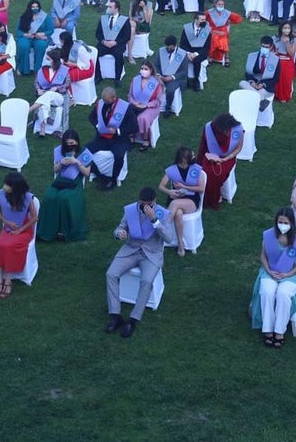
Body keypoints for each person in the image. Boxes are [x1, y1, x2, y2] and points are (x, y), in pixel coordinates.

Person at [103, 187, 167, 338]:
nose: (145, 207)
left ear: (154, 201)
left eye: (148, 205)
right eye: (142, 204)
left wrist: (154, 220)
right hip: (131, 250)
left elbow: (169, 237)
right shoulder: (131, 210)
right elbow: (119, 228)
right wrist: (119, 233)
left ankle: (133, 320)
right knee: (111, 274)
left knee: (146, 281)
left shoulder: (162, 214)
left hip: (151, 254)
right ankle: (115, 315)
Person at [250, 207, 296, 347]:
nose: (283, 225)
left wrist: (288, 274)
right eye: (280, 222)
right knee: (267, 292)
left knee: (283, 294)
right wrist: (269, 271)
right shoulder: (269, 236)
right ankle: (267, 329)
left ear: (291, 223)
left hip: (291, 274)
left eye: (286, 223)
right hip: (270, 272)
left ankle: (279, 331)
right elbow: (263, 256)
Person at [0, 172, 39, 299]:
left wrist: (20, 230)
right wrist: (6, 222)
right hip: (8, 228)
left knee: (9, 247)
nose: (5, 186)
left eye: (8, 184)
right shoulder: (2, 194)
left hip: (23, 230)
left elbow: (35, 217)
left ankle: (7, 281)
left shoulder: (27, 197)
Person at [36, 129, 91, 242]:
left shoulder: (84, 153)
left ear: (77, 142)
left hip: (75, 182)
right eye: (67, 143)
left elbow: (86, 173)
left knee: (64, 198)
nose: (70, 145)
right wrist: (61, 163)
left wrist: (77, 163)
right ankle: (47, 230)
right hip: (60, 181)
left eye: (72, 143)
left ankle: (64, 230)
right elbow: (55, 170)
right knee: (49, 196)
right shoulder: (59, 150)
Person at [156, 146, 206, 257]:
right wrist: (170, 191)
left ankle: (162, 228)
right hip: (176, 197)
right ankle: (180, 244)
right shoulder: (172, 170)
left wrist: (184, 187)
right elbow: (161, 186)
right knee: (178, 213)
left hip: (191, 201)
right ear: (184, 159)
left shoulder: (196, 169)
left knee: (174, 204)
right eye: (191, 156)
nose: (194, 157)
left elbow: (201, 188)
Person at [86, 86, 137, 190]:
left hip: (119, 140)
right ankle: (101, 176)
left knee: (119, 156)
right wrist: (98, 126)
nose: (105, 103)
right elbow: (91, 117)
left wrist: (117, 131)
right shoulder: (100, 104)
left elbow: (134, 127)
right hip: (102, 138)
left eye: (107, 101)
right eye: (104, 100)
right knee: (84, 151)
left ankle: (113, 180)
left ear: (114, 98)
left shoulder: (125, 108)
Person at [197, 113, 244, 211]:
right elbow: (203, 146)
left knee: (218, 174)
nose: (228, 133)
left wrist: (226, 159)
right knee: (207, 172)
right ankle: (209, 198)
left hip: (229, 157)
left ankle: (216, 197)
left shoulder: (237, 129)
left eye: (228, 131)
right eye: (225, 131)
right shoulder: (210, 129)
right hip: (211, 155)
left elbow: (238, 148)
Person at [31, 48, 72, 137]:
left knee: (48, 95)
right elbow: (36, 82)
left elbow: (67, 84)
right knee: (44, 103)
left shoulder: (63, 70)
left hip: (60, 96)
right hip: (45, 95)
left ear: (54, 60)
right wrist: (38, 89)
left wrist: (57, 88)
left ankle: (29, 109)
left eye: (48, 59)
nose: (46, 61)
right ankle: (42, 127)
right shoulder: (43, 70)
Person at [127, 62, 163, 152]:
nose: (143, 71)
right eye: (142, 68)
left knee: (142, 117)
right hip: (136, 105)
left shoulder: (156, 83)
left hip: (151, 107)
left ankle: (145, 139)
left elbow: (158, 101)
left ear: (151, 70)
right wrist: (134, 103)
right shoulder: (135, 80)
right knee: (128, 113)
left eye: (146, 69)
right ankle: (131, 136)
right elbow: (130, 96)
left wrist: (146, 105)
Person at [95, 0, 131, 84]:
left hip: (117, 44)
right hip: (104, 44)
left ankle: (117, 78)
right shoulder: (103, 19)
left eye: (110, 7)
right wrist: (103, 41)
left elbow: (127, 36)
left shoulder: (124, 20)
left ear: (116, 8)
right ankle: (98, 76)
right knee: (94, 54)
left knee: (119, 56)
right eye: (108, 6)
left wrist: (116, 42)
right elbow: (97, 33)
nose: (108, 8)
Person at [240, 36, 279, 112]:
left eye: (267, 47)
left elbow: (276, 77)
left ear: (271, 47)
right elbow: (248, 72)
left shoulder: (275, 59)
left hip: (266, 85)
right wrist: (252, 82)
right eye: (263, 46)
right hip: (254, 83)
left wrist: (263, 84)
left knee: (256, 95)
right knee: (242, 83)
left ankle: (253, 109)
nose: (264, 48)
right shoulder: (252, 56)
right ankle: (262, 101)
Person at [153, 35, 190, 115]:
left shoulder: (182, 54)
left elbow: (184, 71)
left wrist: (172, 77)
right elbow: (155, 66)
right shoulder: (161, 51)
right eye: (167, 48)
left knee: (170, 90)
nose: (168, 49)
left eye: (170, 48)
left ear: (175, 45)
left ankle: (168, 108)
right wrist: (159, 76)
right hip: (161, 76)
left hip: (176, 78)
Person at [16, 0, 53, 76]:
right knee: (23, 46)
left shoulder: (45, 17)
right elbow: (18, 31)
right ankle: (21, 68)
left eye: (37, 6)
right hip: (27, 36)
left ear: (39, 7)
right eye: (33, 7)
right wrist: (26, 35)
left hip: (39, 38)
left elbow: (50, 30)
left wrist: (43, 33)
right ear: (29, 7)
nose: (35, 8)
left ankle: (38, 69)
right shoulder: (24, 16)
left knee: (41, 45)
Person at [206, 0, 243, 65]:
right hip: (212, 30)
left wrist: (230, 21)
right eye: (219, 4)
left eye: (222, 4)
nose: (221, 6)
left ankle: (226, 56)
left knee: (223, 39)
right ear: (215, 4)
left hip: (223, 31)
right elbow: (201, 17)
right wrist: (206, 24)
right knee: (214, 38)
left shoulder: (227, 12)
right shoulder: (210, 12)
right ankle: (211, 55)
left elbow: (238, 19)